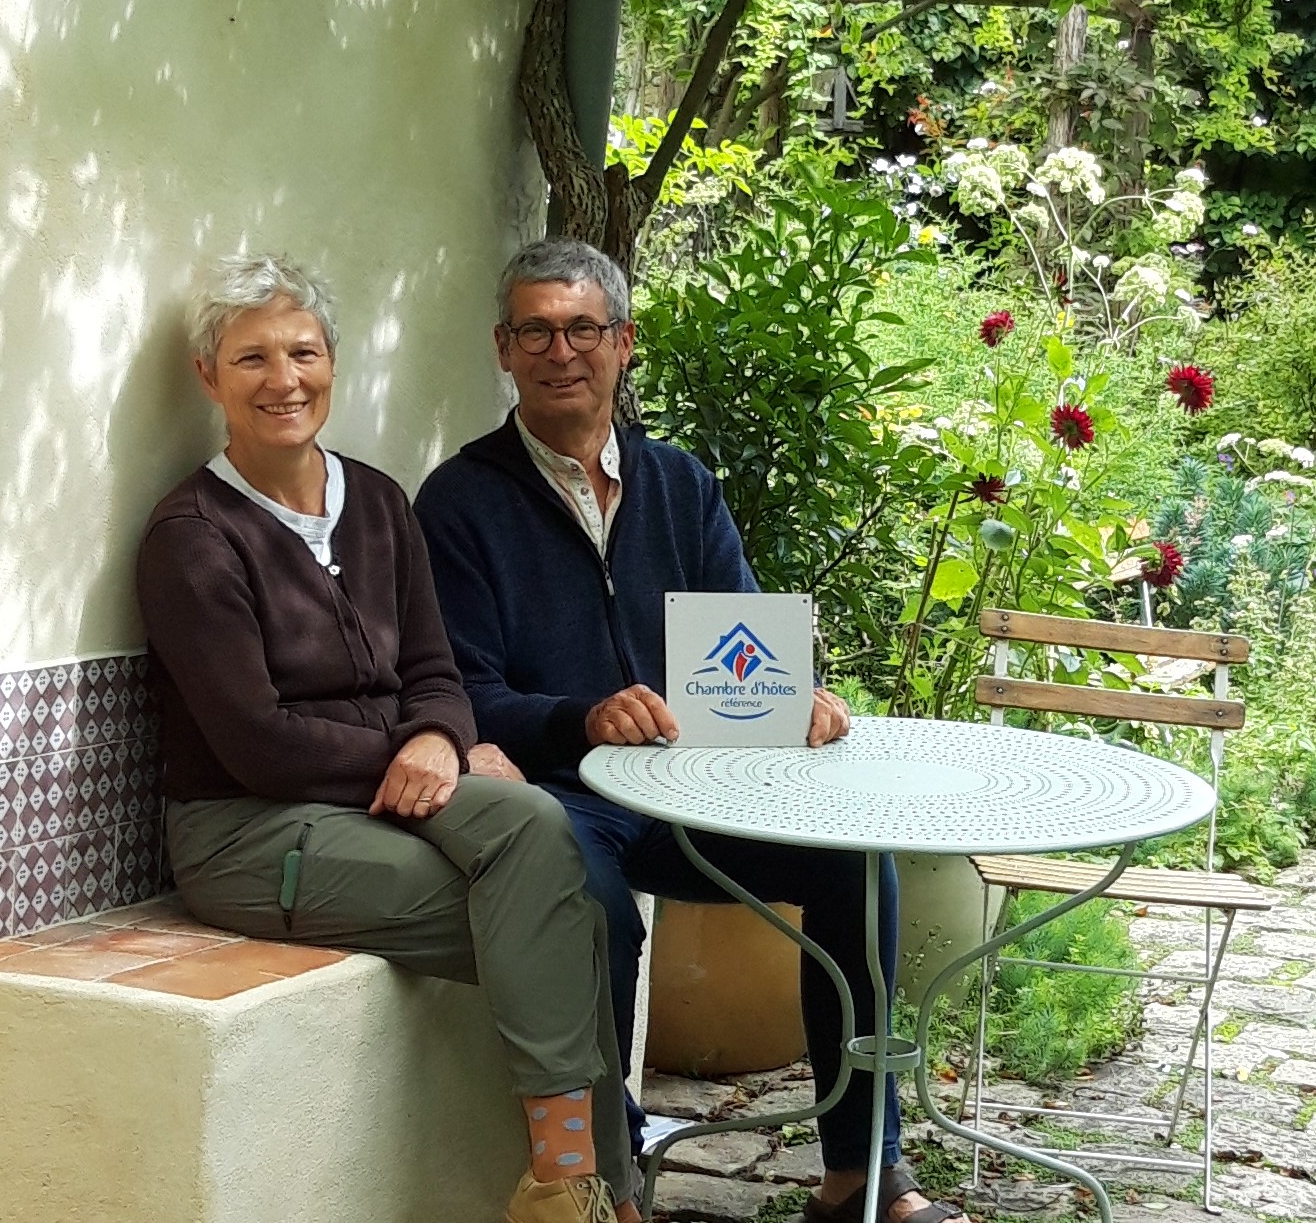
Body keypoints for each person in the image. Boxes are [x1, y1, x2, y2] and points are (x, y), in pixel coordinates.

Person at [414, 238, 968, 1223]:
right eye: (534, 331)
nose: (560, 351)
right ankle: (609, 1183)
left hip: (697, 790)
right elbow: (462, 689)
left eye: (583, 328)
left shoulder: (680, 484)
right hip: (565, 794)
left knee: (855, 864)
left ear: (623, 343)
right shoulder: (460, 501)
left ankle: (859, 1175)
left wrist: (798, 697)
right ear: (502, 349)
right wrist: (579, 717)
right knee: (593, 911)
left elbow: (741, 646)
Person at [136, 253, 639, 1223]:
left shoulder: (372, 499)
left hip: (391, 798)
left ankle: (575, 1187)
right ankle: (589, 1190)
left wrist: (441, 739)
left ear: (332, 362)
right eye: (251, 359)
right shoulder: (193, 535)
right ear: (209, 376)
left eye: (303, 352)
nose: (283, 380)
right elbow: (257, 743)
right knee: (555, 913)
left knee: (543, 840)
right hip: (251, 829)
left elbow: (435, 671)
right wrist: (407, 752)